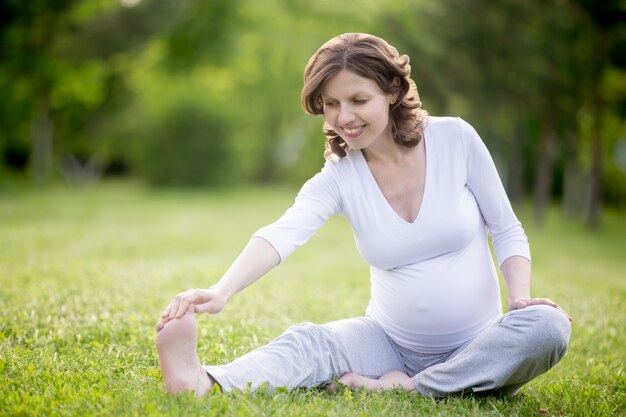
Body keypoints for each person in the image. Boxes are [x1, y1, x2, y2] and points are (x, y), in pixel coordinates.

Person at [155, 32, 572, 397]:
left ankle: (418, 386)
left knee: (549, 327)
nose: (344, 118)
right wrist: (222, 290)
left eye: (358, 100)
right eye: (331, 104)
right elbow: (282, 234)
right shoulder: (339, 176)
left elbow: (506, 227)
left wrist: (518, 297)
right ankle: (204, 381)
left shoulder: (455, 139)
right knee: (311, 342)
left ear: (392, 91)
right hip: (386, 342)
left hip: (480, 348)